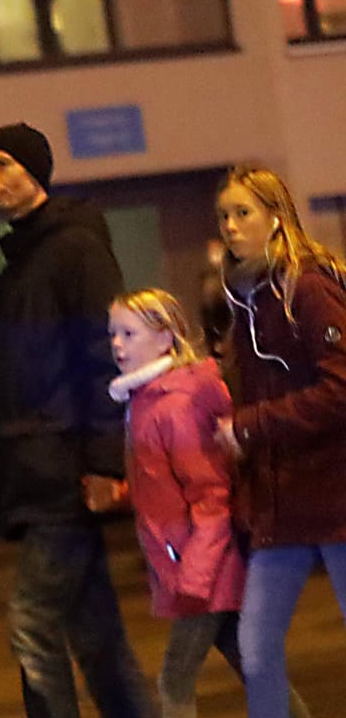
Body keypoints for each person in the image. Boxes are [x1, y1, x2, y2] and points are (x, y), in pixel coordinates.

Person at [0, 122, 158, 718]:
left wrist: (105, 463)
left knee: (30, 625)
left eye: (2, 163)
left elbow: (107, 354)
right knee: (97, 639)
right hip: (33, 476)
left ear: (36, 171)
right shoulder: (16, 274)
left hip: (64, 480)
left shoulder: (75, 250)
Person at [95, 288, 309, 718]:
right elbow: (168, 483)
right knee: (254, 667)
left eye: (129, 333)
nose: (117, 343)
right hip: (197, 566)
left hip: (203, 569)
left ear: (166, 338)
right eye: (113, 333)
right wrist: (122, 494)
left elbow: (211, 495)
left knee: (175, 679)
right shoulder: (146, 402)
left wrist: (193, 576)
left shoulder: (173, 407)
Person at [209, 164, 346, 718]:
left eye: (244, 213)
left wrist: (251, 425)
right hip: (281, 501)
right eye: (223, 216)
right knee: (256, 647)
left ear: (277, 215)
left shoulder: (308, 287)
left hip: (336, 493)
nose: (231, 226)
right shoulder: (248, 298)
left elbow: (342, 386)